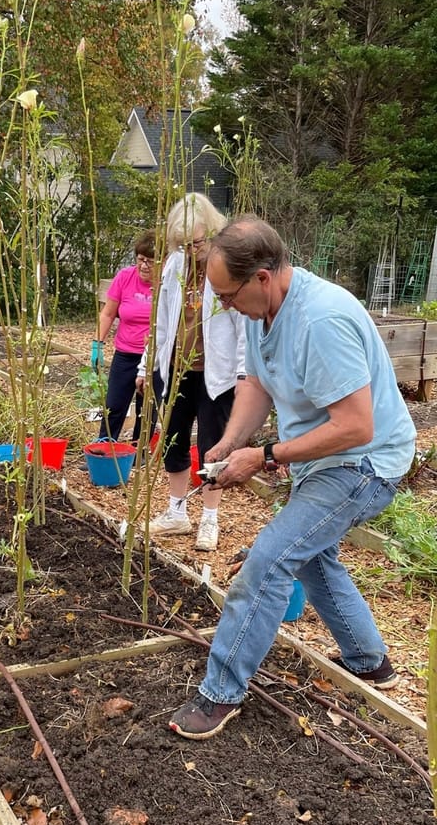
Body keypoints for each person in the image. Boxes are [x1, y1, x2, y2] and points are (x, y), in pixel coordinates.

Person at [168, 216, 417, 739]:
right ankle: (370, 661)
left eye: (227, 295)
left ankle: (220, 693)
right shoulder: (264, 314)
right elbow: (256, 385)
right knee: (311, 554)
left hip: (365, 461)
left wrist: (264, 455)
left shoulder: (319, 320)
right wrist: (232, 441)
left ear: (261, 277)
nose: (223, 306)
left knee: (272, 557)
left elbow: (355, 426)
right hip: (325, 458)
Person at [137, 193, 245, 551]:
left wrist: (244, 374)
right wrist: (147, 364)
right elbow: (162, 323)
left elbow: (245, 326)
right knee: (173, 440)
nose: (191, 250)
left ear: (212, 232)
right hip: (176, 368)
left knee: (213, 448)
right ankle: (177, 512)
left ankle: (209, 519)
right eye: (183, 244)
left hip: (216, 373)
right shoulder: (174, 267)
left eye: (196, 242)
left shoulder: (227, 267)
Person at [94, 230, 156, 444]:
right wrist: (97, 344)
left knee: (146, 408)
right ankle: (104, 446)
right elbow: (108, 313)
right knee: (114, 404)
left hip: (153, 357)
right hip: (125, 354)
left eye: (150, 261)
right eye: (141, 259)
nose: (145, 265)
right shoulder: (125, 277)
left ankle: (140, 453)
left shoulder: (167, 285)